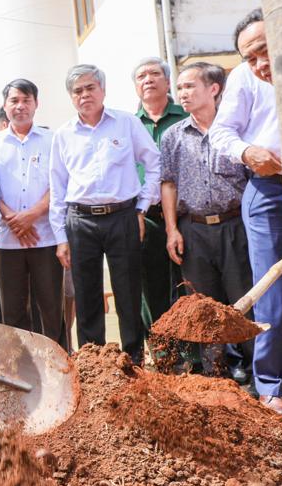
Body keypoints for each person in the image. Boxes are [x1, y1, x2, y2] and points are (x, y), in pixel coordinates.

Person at [209, 9, 282, 415]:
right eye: (251, 57)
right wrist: (248, 151)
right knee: (273, 291)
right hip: (270, 191)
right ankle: (274, 386)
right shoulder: (245, 80)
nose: (261, 63)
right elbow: (221, 132)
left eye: (265, 50)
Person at [50, 64, 160, 364]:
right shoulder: (63, 135)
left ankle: (133, 359)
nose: (84, 95)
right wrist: (60, 237)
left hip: (123, 216)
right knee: (86, 297)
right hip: (80, 221)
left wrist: (142, 208)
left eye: (90, 88)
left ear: (103, 90)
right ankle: (93, 363)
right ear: (71, 98)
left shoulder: (126, 123)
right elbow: (57, 188)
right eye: (77, 91)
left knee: (128, 292)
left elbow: (154, 163)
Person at [161, 62, 253, 380]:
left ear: (213, 89)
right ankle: (216, 376)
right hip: (194, 228)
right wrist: (172, 229)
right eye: (180, 87)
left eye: (189, 86)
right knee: (204, 305)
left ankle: (255, 372)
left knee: (244, 299)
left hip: (235, 225)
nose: (182, 93)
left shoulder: (237, 129)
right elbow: (168, 183)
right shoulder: (173, 136)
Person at [0, 79, 63, 342]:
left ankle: (59, 371)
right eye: (14, 101)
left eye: (26, 100)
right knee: (13, 313)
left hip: (45, 237)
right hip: (7, 241)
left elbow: (60, 183)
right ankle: (21, 374)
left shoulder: (52, 140)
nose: (20, 106)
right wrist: (12, 219)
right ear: (5, 105)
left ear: (36, 104)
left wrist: (31, 215)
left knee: (51, 310)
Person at [132, 58, 187, 331]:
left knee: (188, 285)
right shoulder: (128, 125)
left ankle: (195, 356)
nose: (148, 79)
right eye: (141, 76)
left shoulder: (186, 116)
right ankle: (163, 352)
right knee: (150, 288)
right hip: (146, 217)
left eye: (155, 74)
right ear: (135, 87)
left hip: (187, 216)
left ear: (167, 82)